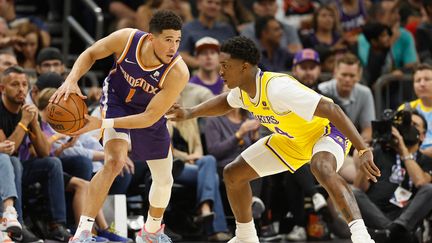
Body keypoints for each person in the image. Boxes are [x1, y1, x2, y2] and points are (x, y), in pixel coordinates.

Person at [166, 36, 380, 243]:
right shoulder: (243, 90)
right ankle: (246, 237)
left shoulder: (278, 88)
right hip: (291, 140)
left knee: (321, 167)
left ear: (244, 66)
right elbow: (225, 102)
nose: (220, 71)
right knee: (233, 174)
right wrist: (190, 112)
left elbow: (332, 109)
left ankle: (361, 236)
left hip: (325, 133)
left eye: (225, 65)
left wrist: (362, 149)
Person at [50, 10, 189, 243]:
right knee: (114, 162)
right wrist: (71, 79)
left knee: (164, 178)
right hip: (117, 101)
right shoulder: (126, 39)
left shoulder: (178, 71)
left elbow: (149, 117)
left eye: (177, 40)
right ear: (151, 37)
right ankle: (83, 232)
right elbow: (91, 53)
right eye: (168, 40)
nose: (173, 47)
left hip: (148, 113)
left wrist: (101, 123)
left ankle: (151, 232)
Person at [353, 110, 432, 243]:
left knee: (430, 190)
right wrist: (366, 160)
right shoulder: (379, 152)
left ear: (423, 136)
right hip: (375, 213)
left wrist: (403, 150)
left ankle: (390, 232)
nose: (407, 128)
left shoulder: (425, 160)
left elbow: (421, 182)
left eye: (414, 125)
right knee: (353, 193)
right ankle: (393, 232)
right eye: (405, 124)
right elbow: (359, 187)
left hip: (404, 215)